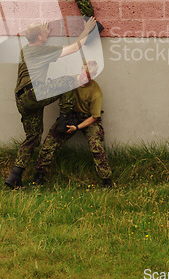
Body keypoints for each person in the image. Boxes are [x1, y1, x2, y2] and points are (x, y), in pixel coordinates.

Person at [5, 16, 97, 188]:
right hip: (34, 94)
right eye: (43, 33)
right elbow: (75, 48)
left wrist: (41, 32)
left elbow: (39, 43)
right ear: (39, 37)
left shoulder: (25, 49)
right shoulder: (42, 52)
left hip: (23, 100)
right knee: (70, 80)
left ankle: (14, 177)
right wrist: (86, 30)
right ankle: (65, 118)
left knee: (32, 138)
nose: (46, 33)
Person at [34, 60, 113, 188]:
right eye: (82, 74)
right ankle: (39, 175)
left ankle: (106, 179)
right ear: (81, 70)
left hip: (88, 119)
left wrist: (77, 127)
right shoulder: (69, 81)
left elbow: (94, 116)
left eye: (88, 77)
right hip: (70, 116)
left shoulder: (95, 91)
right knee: (50, 142)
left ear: (93, 76)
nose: (83, 78)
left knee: (96, 146)